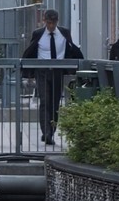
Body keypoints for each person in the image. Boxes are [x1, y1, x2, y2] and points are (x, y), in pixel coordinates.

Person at [21, 9, 82, 146]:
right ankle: (46, 132)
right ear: (44, 21)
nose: (51, 26)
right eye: (49, 23)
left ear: (57, 22)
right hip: (42, 71)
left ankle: (52, 130)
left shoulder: (64, 33)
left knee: (54, 102)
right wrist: (28, 73)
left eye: (53, 23)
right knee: (44, 100)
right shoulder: (38, 34)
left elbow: (71, 49)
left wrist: (73, 66)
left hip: (57, 71)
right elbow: (31, 50)